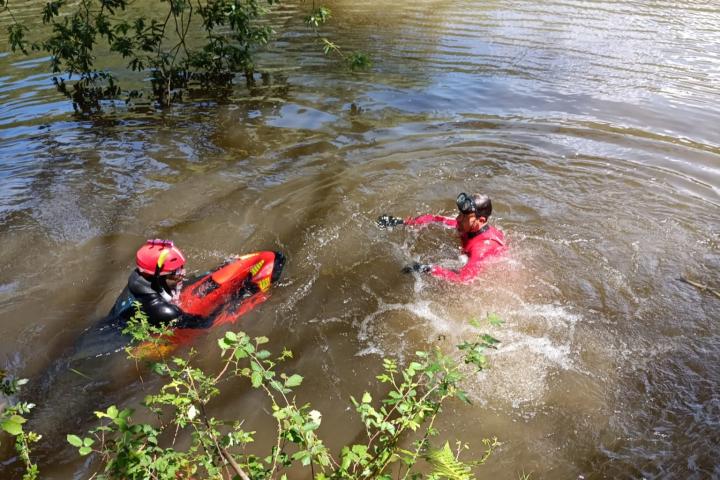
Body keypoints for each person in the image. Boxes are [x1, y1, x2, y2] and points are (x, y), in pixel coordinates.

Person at [377, 192, 506, 283]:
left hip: (492, 273)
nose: (457, 219)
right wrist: (402, 222)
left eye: (464, 217)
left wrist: (428, 269)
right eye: (459, 214)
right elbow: (435, 219)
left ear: (481, 220)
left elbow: (464, 279)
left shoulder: (482, 247)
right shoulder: (468, 226)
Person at [109, 239, 202, 327]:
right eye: (177, 270)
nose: (183, 272)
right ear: (158, 275)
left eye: (182, 267)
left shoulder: (139, 277)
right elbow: (205, 324)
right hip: (120, 340)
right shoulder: (162, 310)